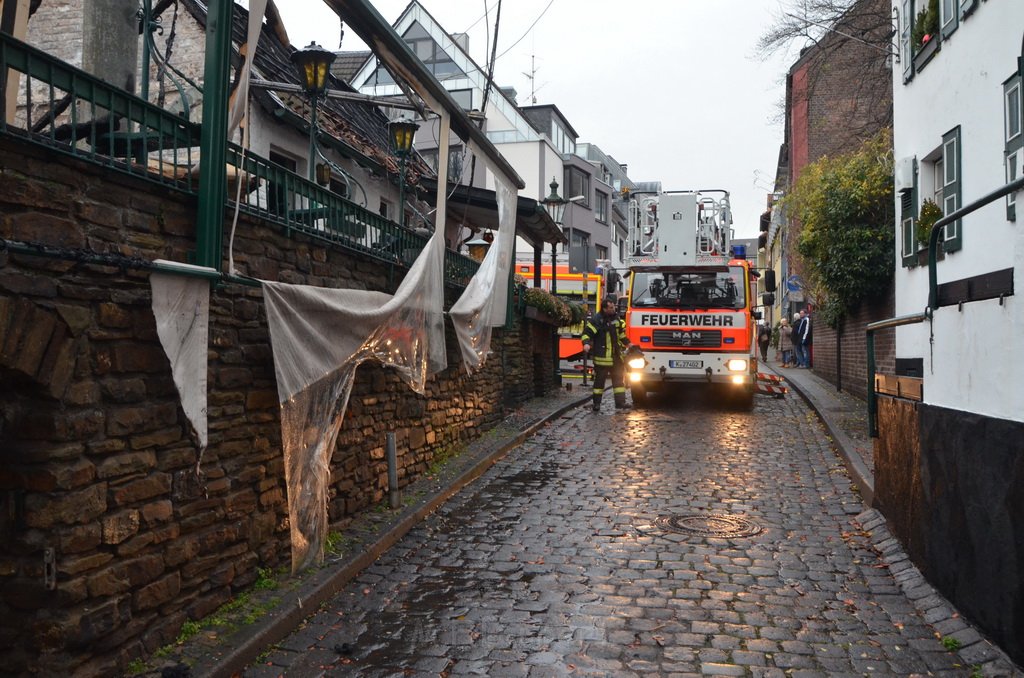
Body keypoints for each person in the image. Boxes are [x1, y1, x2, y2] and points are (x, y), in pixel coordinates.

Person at [581, 298, 631, 412]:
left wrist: (629, 344)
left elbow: (621, 335)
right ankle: (596, 404)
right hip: (602, 358)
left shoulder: (616, 319)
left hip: (616, 358)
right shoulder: (597, 320)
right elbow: (586, 334)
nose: (613, 309)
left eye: (613, 307)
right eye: (611, 308)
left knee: (619, 382)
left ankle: (620, 403)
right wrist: (586, 343)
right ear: (604, 309)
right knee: (599, 383)